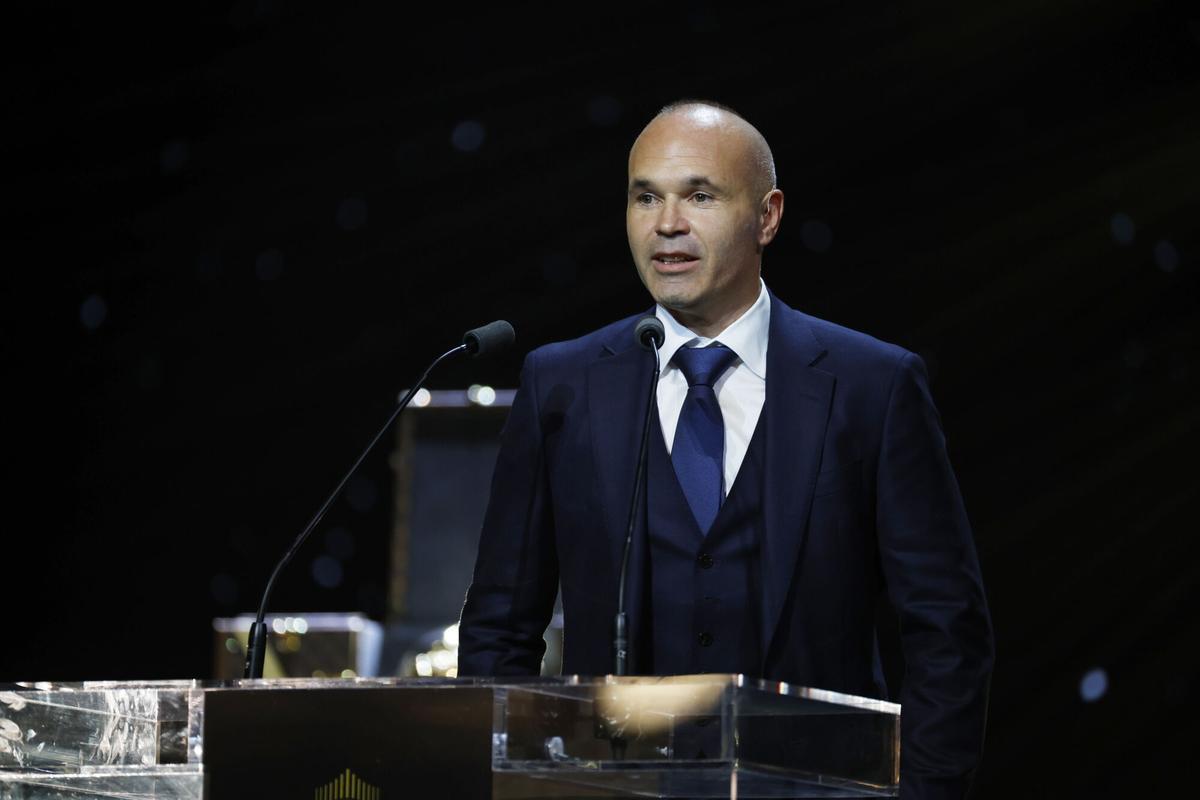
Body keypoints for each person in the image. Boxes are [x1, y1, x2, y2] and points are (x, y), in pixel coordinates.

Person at [458, 100, 993, 799]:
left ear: (767, 216)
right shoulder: (562, 384)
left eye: (700, 196)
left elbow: (947, 629)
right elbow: (500, 626)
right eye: (645, 197)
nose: (667, 224)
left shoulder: (873, 385)